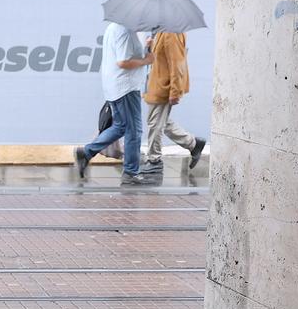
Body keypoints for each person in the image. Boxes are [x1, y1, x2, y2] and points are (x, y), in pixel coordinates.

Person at [75, 19, 150, 186]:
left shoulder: (114, 27)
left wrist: (144, 48)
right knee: (134, 131)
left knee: (121, 126)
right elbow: (123, 62)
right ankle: (131, 172)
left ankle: (86, 152)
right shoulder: (126, 31)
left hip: (116, 86)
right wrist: (146, 60)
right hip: (126, 88)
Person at [141, 31, 206, 173]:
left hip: (164, 86)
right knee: (161, 121)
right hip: (156, 85)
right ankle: (193, 144)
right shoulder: (161, 31)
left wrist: (175, 91)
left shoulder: (171, 32)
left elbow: (177, 63)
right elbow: (160, 57)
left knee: (155, 123)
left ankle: (154, 161)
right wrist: (150, 46)